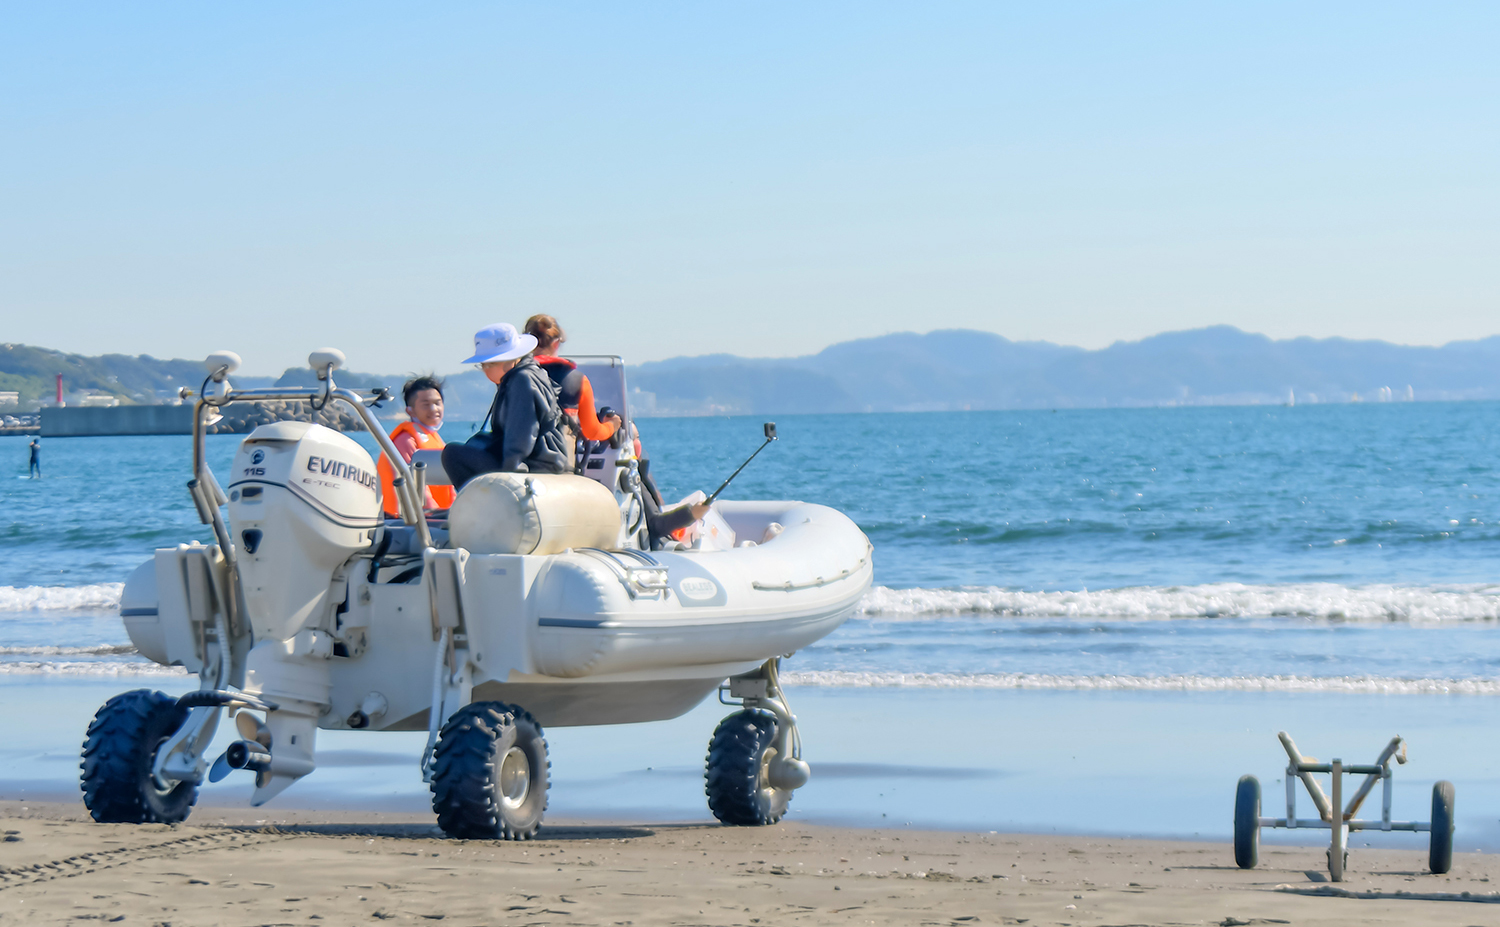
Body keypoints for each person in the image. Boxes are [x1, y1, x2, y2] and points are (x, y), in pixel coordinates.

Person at [440, 323, 570, 490]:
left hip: (534, 468)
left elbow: (521, 435)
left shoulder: (521, 381)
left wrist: (511, 482)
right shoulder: (526, 374)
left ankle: (483, 507)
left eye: (488, 364)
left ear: (510, 360)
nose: (485, 370)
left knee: (452, 454)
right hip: (544, 463)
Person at [523, 315, 622, 460]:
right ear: (556, 343)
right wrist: (612, 426)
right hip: (558, 465)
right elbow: (592, 432)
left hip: (519, 462)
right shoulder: (577, 380)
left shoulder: (514, 375)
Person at [376, 375, 456, 517]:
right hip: (402, 520)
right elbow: (413, 487)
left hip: (436, 517)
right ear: (410, 410)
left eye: (437, 403)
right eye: (426, 404)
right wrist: (438, 516)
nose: (433, 409)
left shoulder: (435, 438)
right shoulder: (406, 441)